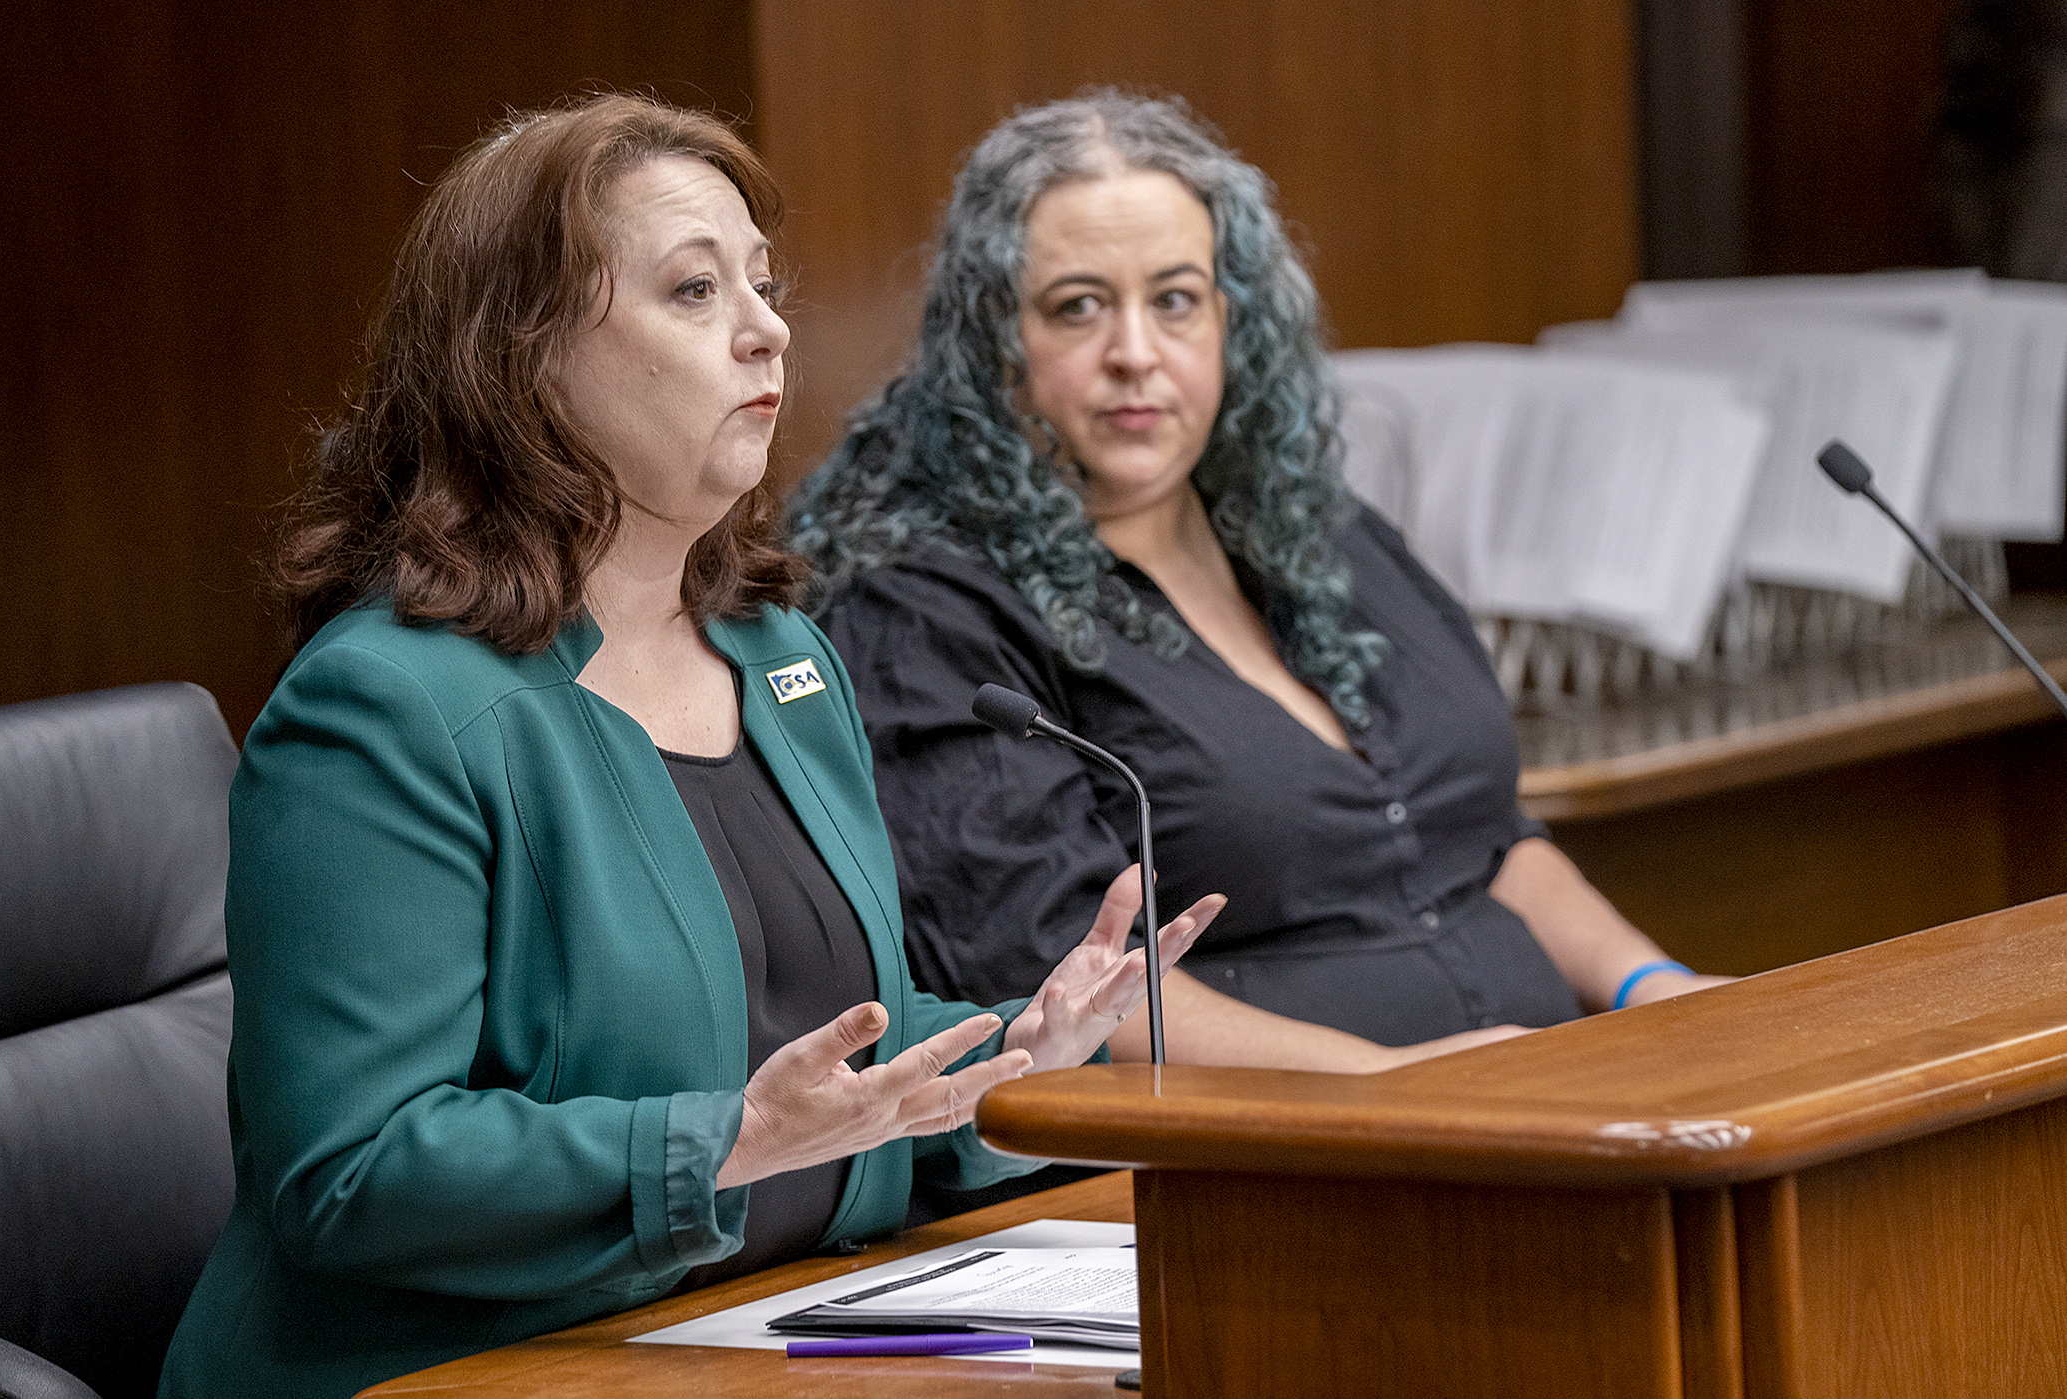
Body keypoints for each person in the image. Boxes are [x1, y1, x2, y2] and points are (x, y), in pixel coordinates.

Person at [156, 94, 1221, 1399]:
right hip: (462, 1370)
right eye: (693, 290)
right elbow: (355, 1169)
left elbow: (816, 1051)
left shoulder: (776, 652)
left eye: (763, 286)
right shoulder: (380, 707)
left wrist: (1016, 1055)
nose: (767, 327)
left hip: (776, 1326)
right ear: (526, 356)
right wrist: (722, 1142)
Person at [792, 91, 1726, 1085]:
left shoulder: (1319, 532)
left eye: (1176, 299)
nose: (1136, 354)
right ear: (993, 349)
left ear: (1232, 322)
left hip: (1539, 1104)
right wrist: (1394, 1086)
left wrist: (1649, 984)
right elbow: (1066, 983)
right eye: (1077, 307)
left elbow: (1481, 837)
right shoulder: (926, 613)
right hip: (1244, 1171)